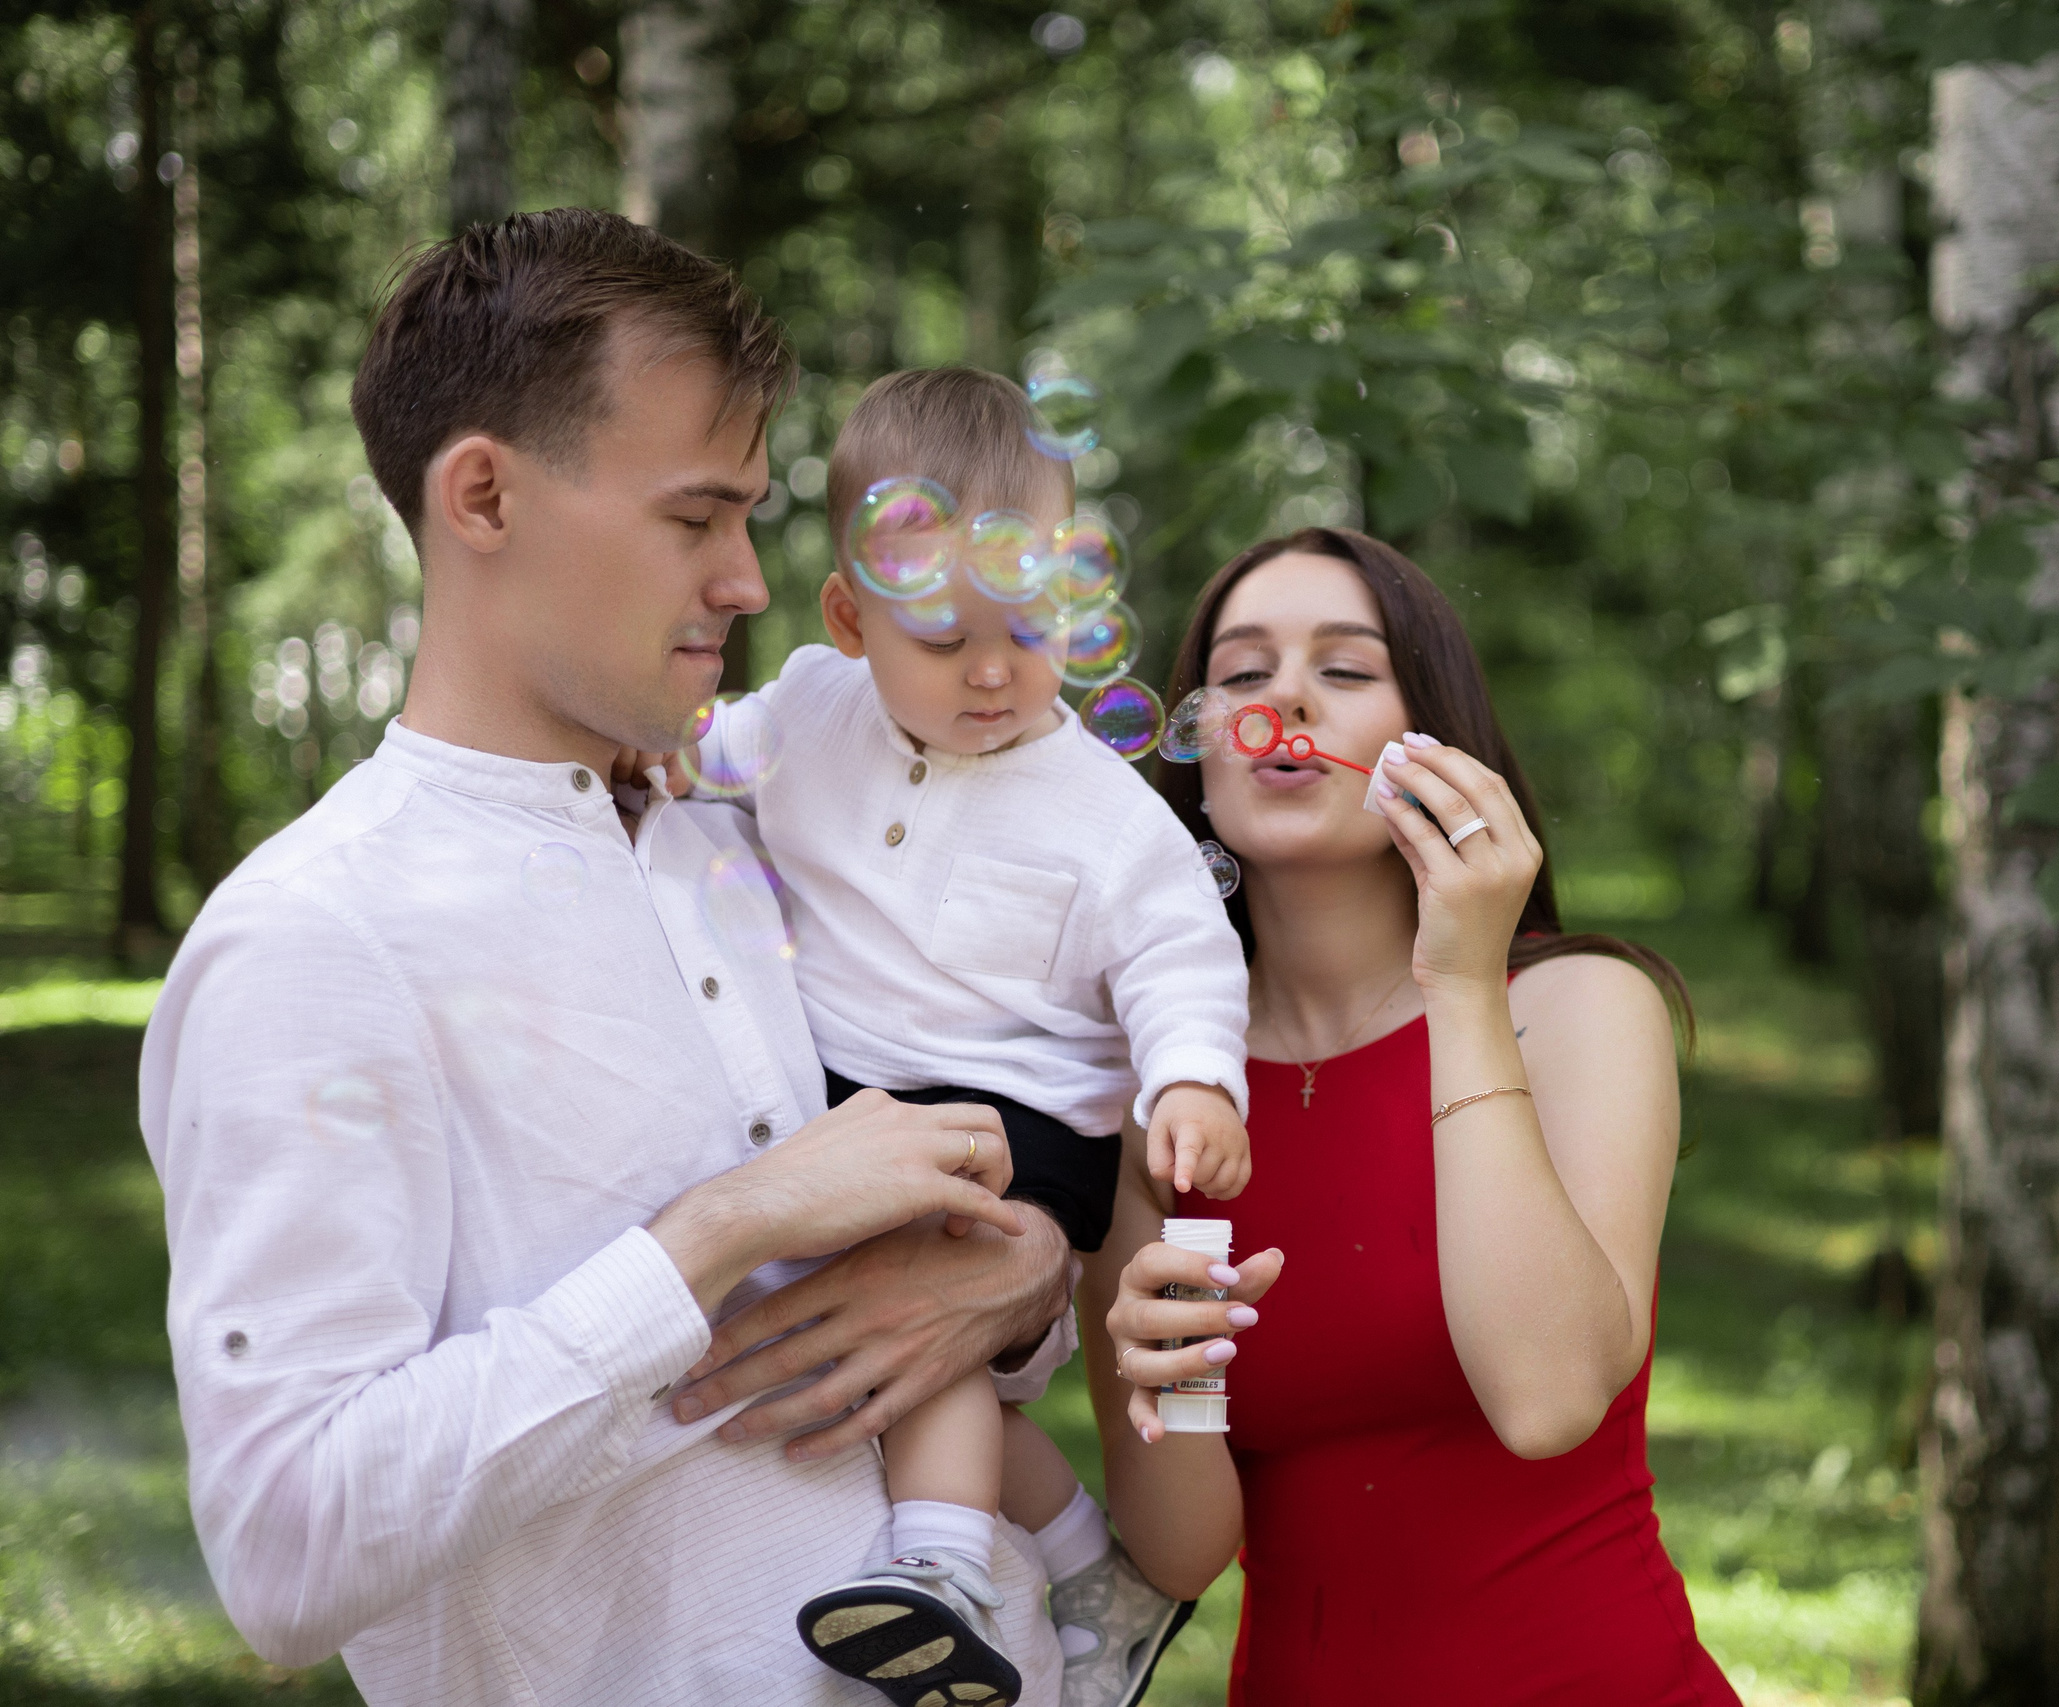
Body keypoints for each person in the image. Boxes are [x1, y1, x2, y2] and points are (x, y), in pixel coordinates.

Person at [137, 209, 1081, 1706]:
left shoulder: (756, 838)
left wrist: (1021, 1283)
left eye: (752, 516)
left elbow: (921, 1283)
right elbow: (284, 1548)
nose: (751, 581)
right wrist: (711, 1234)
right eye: (695, 516)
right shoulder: (310, 937)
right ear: (484, 495)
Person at [1084, 528, 1749, 1704]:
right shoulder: (1164, 1094)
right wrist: (1139, 1357)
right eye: (1240, 674)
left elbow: (1546, 1399)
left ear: (1430, 742)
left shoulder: (1574, 1005)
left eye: (1345, 671)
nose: (1282, 696)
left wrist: (1458, 981)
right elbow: (1181, 1553)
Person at [679, 367, 1251, 1705]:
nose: (994, 670)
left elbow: (1181, 953)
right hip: (842, 1093)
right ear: (849, 619)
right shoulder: (812, 704)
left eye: (1031, 623)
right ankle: (1077, 1555)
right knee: (891, 1348)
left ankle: (938, 1566)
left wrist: (1191, 1077)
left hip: (1021, 1124)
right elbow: (705, 748)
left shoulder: (1102, 812)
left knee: (920, 1278)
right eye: (941, 636)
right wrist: (653, 753)